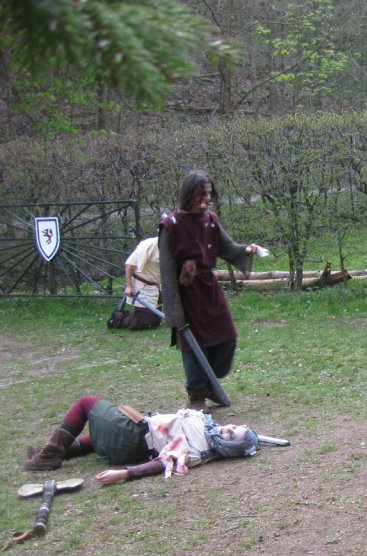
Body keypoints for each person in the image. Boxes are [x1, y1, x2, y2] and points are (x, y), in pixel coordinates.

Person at [159, 171, 264, 411]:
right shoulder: (171, 226)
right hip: (186, 294)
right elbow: (167, 272)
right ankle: (197, 395)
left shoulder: (210, 220)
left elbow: (227, 248)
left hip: (209, 288)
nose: (208, 198)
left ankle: (208, 382)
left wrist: (246, 250)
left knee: (228, 337)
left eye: (209, 193)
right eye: (202, 194)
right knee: (192, 344)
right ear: (190, 195)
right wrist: (174, 311)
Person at [23, 396, 259, 483]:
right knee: (99, 437)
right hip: (131, 436)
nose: (227, 429)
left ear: (228, 447)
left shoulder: (197, 449)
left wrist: (123, 474)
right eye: (234, 427)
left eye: (230, 435)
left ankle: (49, 456)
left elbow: (163, 462)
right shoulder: (209, 430)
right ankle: (63, 450)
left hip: (131, 437)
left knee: (86, 404)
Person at [107, 237, 162, 330]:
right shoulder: (149, 245)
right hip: (142, 286)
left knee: (155, 321)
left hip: (156, 286)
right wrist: (129, 286)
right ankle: (116, 319)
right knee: (145, 322)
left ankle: (129, 315)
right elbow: (130, 264)